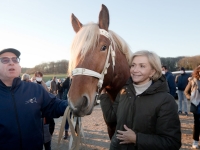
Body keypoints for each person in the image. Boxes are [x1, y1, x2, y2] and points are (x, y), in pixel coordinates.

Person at [99, 50, 181, 150]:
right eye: (133, 65)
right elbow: (111, 119)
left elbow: (172, 143)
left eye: (142, 66)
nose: (135, 70)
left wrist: (137, 139)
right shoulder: (124, 92)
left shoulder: (165, 100)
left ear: (153, 71)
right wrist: (103, 95)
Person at [0, 48, 68, 150]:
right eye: (5, 60)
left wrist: (72, 105)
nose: (11, 63)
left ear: (20, 67)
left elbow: (54, 105)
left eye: (15, 60)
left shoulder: (35, 89)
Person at [34, 71, 55, 150]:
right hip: (36, 109)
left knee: (49, 124)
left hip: (45, 110)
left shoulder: (44, 84)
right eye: (37, 75)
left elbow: (47, 94)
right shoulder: (31, 84)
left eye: (40, 75)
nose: (39, 76)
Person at [184, 66, 200, 148]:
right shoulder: (193, 81)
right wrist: (191, 98)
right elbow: (186, 92)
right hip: (197, 105)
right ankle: (195, 141)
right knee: (197, 124)